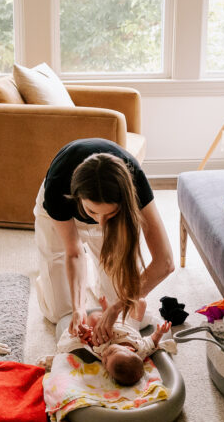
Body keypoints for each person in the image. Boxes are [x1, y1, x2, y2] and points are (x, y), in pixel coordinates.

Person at [34, 138, 175, 347]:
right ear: (78, 196)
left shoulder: (136, 182)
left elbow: (165, 262)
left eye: (108, 213)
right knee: (60, 314)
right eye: (92, 211)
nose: (100, 222)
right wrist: (78, 307)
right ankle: (58, 282)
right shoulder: (58, 187)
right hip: (61, 214)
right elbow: (73, 252)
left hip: (114, 217)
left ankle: (97, 280)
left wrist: (117, 306)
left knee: (130, 313)